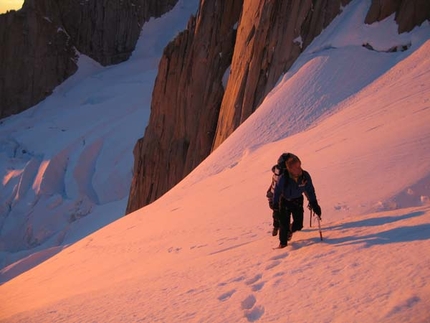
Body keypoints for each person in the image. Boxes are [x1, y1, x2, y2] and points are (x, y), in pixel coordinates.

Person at [272, 153, 321, 248]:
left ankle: (290, 231)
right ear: (289, 169)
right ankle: (283, 244)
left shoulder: (305, 176)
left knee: (299, 224)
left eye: (299, 166)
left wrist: (314, 204)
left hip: (298, 200)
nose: (299, 169)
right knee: (283, 224)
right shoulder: (284, 178)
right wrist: (275, 207)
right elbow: (277, 192)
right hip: (285, 201)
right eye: (296, 167)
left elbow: (310, 190)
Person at [266, 153, 290, 236]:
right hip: (277, 197)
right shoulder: (283, 173)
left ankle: (276, 227)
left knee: (276, 212)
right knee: (282, 213)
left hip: (271, 195)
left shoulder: (277, 170)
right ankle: (284, 230)